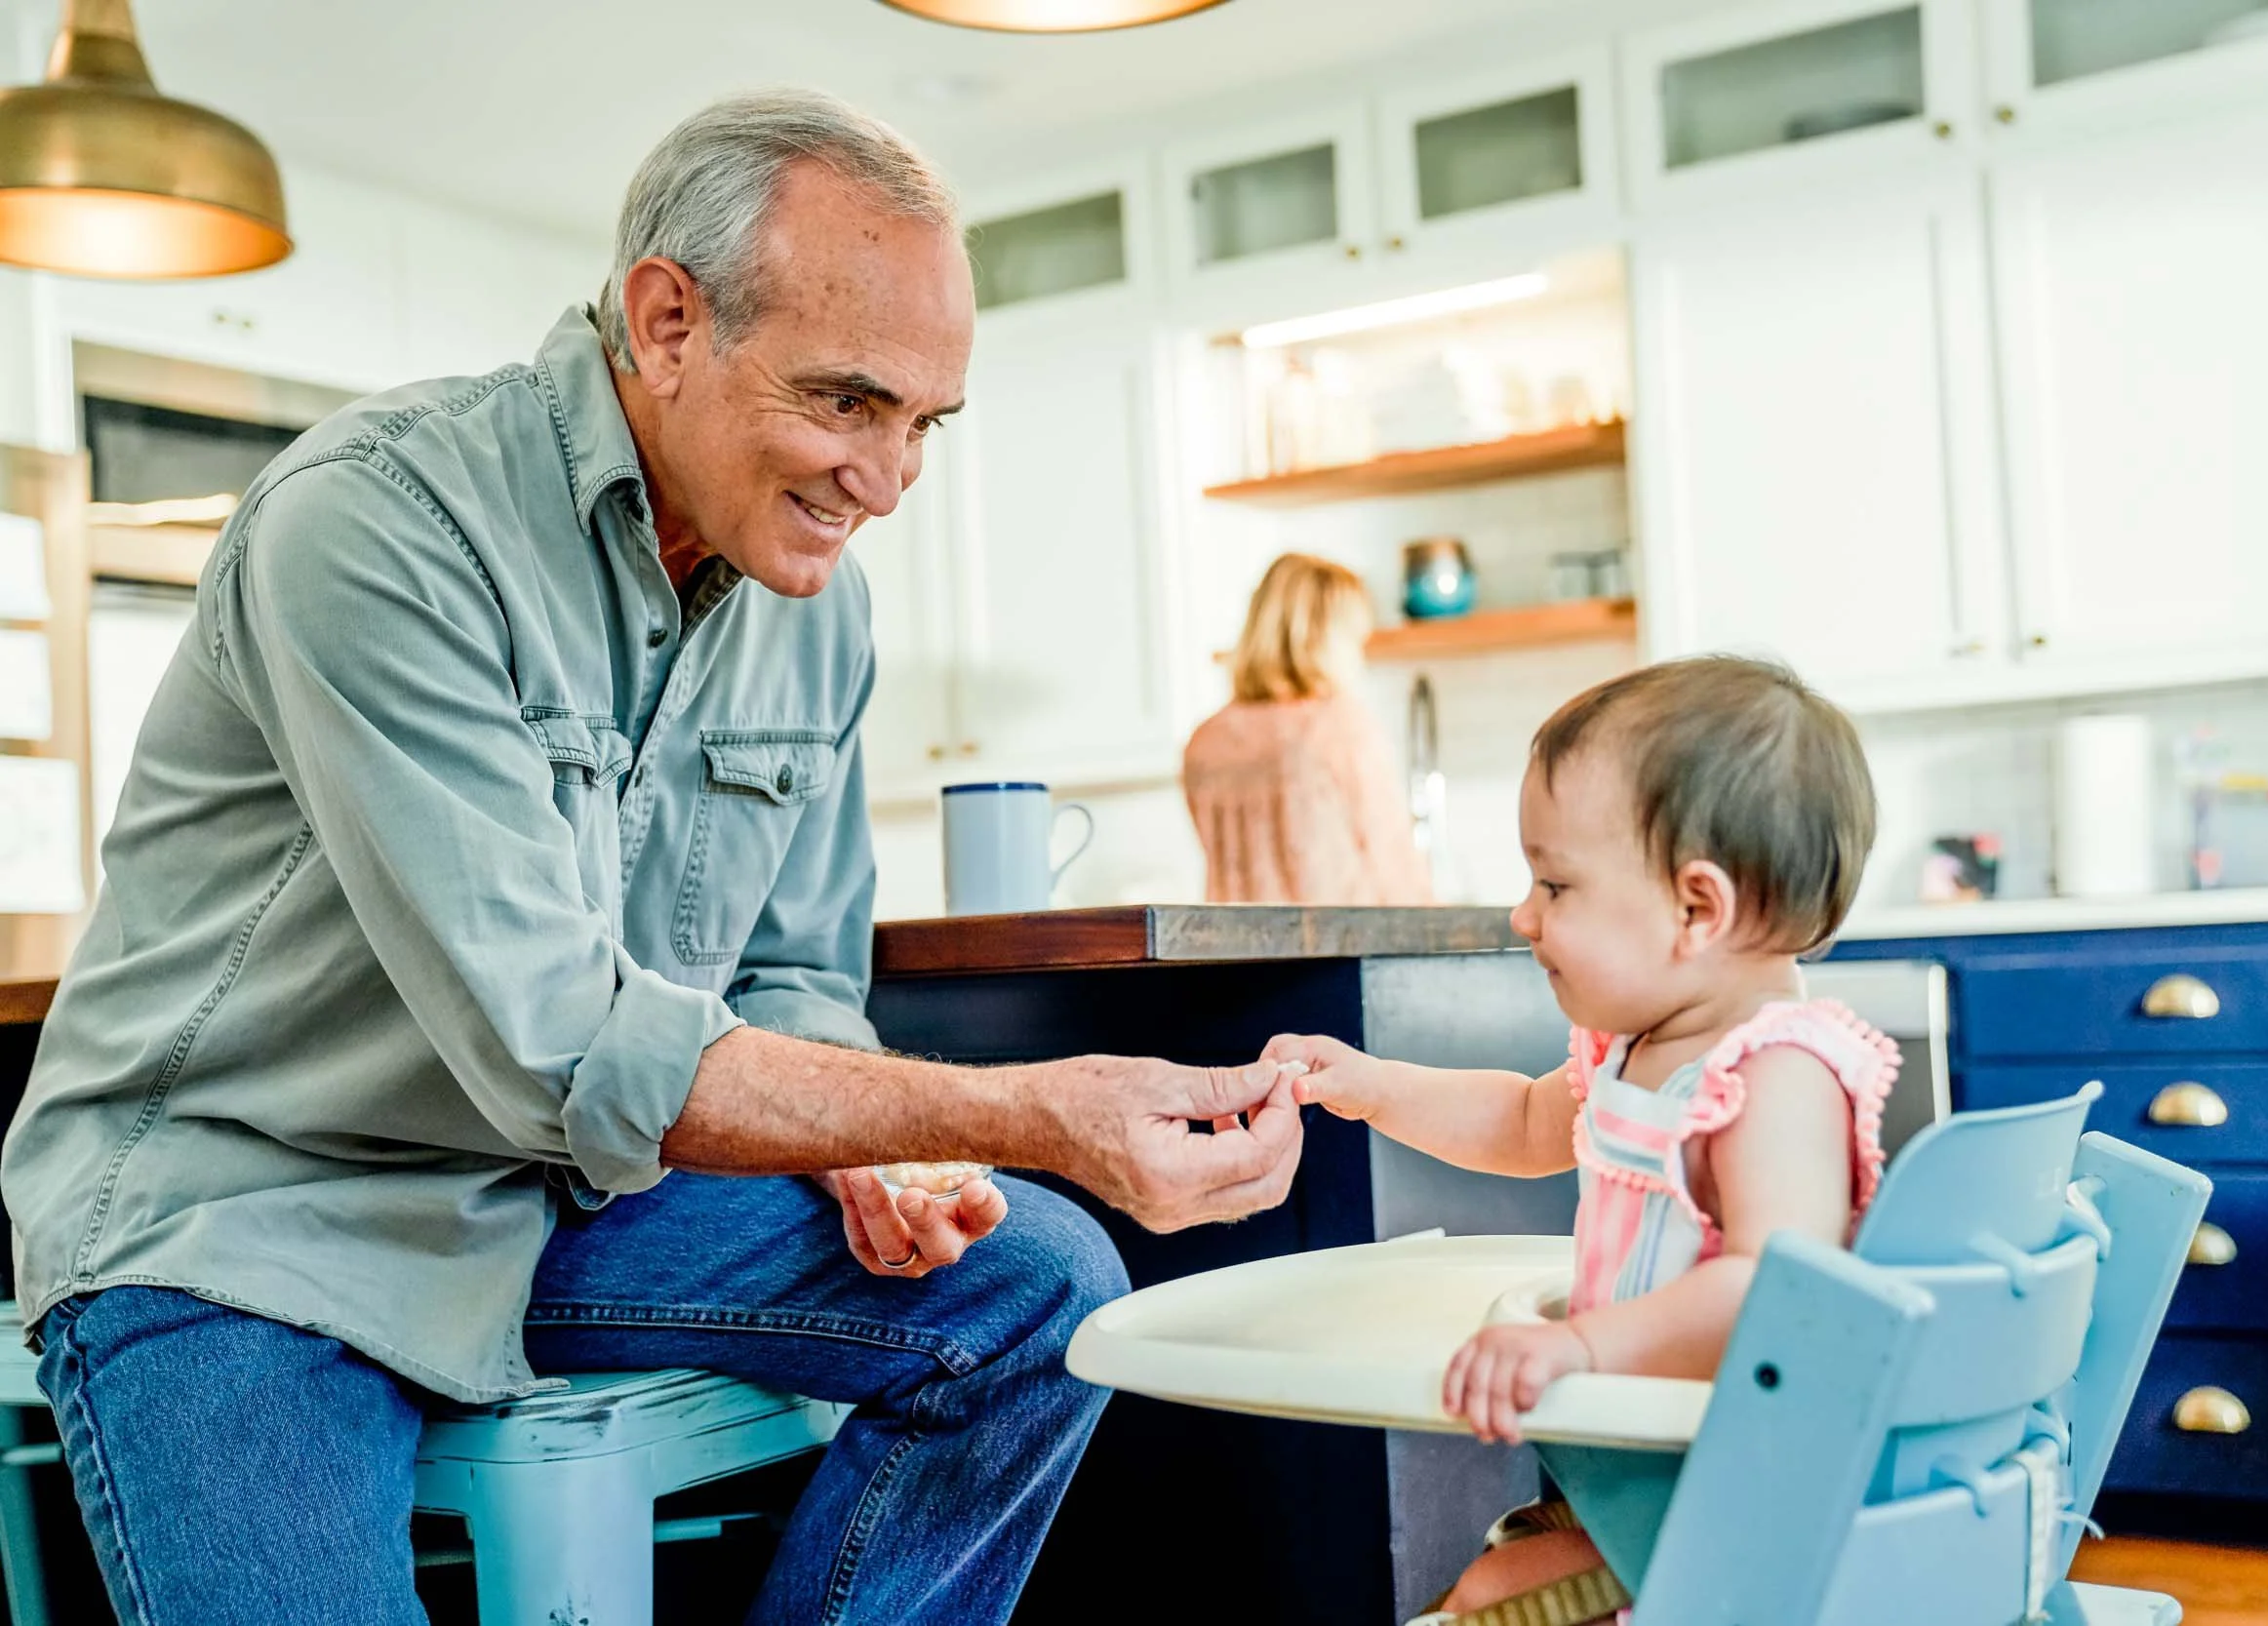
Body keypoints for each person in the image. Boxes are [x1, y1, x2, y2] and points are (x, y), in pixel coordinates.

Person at [0, 92, 1300, 1625]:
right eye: (848, 401)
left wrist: (863, 1144)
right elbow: (561, 1044)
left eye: (923, 423)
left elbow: (792, 972)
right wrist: (1031, 1111)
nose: (887, 481)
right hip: (252, 1218)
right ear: (668, 320)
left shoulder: (819, 606)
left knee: (1042, 1286)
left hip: (558, 1201)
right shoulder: (375, 523)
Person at [1263, 655, 1897, 1625]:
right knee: (1499, 1568)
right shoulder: (1635, 1048)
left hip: (1734, 1495)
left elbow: (1774, 1286)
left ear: (1696, 908)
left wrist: (1576, 1343)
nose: (1523, 913)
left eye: (1554, 882)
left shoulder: (1775, 1075)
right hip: (1637, 1464)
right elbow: (1522, 1122)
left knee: (1488, 1598)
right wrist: (1374, 1085)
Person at [1182, 552, 1432, 904]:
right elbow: (1395, 869)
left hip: (1229, 942)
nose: (1359, 656)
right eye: (1353, 639)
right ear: (1322, 636)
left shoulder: (1204, 741)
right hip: (1338, 940)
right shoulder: (1339, 727)